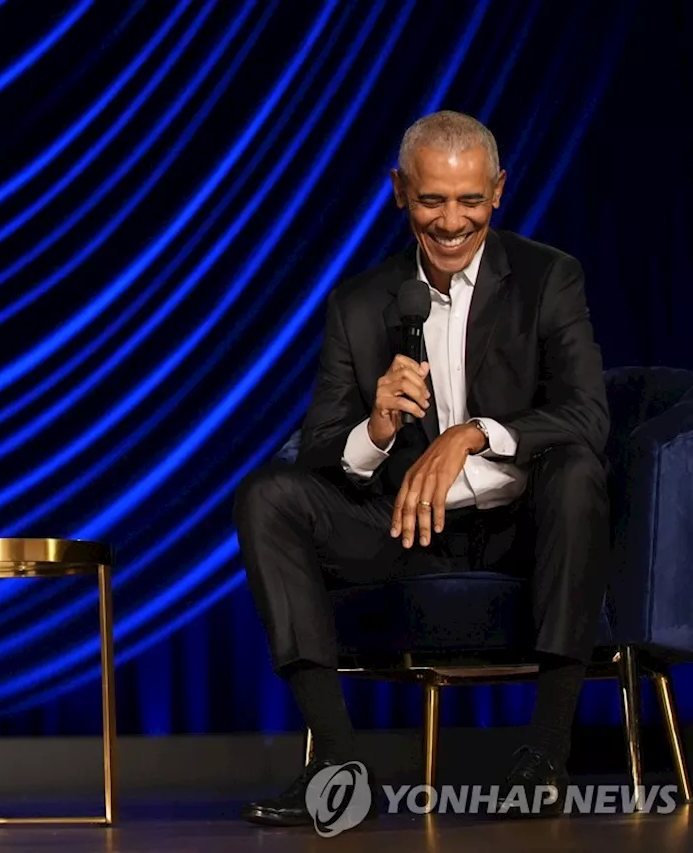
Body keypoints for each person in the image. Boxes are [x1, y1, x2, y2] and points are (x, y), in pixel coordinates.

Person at [233, 110, 610, 825]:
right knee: (267, 497)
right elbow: (318, 451)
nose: (450, 222)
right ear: (398, 192)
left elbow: (588, 415)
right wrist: (373, 431)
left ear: (498, 192)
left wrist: (469, 434)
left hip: (515, 525)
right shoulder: (360, 304)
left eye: (470, 200)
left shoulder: (547, 277)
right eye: (431, 199)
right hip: (402, 530)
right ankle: (337, 767)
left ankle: (545, 754)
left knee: (577, 474)